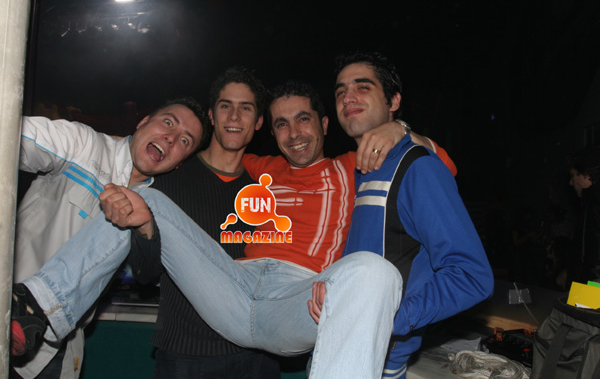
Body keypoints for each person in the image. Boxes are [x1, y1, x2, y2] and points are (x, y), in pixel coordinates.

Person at [12, 79, 458, 378]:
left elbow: (442, 167)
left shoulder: (351, 167)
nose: (293, 132)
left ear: (324, 124)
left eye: (303, 119)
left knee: (372, 271)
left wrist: (400, 131)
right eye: (281, 123)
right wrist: (123, 143)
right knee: (143, 199)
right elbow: (208, 151)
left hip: (297, 300)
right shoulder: (260, 166)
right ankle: (38, 308)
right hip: (232, 288)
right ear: (269, 131)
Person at [307, 51, 494, 378]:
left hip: (378, 360)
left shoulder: (417, 167)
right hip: (336, 340)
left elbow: (472, 275)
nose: (347, 97)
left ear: (393, 101)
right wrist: (334, 285)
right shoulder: (359, 170)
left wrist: (388, 317)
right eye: (340, 92)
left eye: (362, 87)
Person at [11, 97, 208, 379]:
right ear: (143, 122)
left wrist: (145, 225)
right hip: (9, 315)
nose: (171, 137)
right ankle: (32, 302)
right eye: (168, 122)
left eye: (185, 141)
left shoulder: (154, 206)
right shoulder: (84, 145)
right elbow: (14, 138)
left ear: (179, 163)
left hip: (59, 349)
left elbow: (146, 273)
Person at [127, 67, 280, 378]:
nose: (234, 116)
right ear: (211, 115)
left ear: (259, 121)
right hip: (186, 355)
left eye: (246, 108)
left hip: (258, 355)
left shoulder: (268, 189)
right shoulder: (168, 180)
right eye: (226, 106)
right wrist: (144, 231)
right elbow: (144, 274)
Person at [568, 145, 600, 282]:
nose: (571, 182)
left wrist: (589, 291)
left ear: (586, 175)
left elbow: (594, 263)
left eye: (573, 175)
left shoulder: (594, 205)